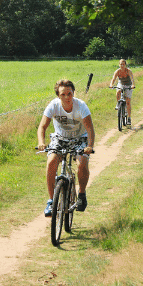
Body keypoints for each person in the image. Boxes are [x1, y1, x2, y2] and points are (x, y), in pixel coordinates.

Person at [36, 79, 95, 217]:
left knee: (82, 163)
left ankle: (81, 194)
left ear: (73, 93)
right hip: (60, 138)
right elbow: (42, 127)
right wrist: (41, 142)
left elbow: (90, 129)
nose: (67, 97)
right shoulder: (53, 105)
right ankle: (51, 201)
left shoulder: (81, 106)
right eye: (63, 94)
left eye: (70, 93)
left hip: (80, 138)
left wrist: (90, 146)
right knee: (51, 162)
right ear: (58, 95)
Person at [108, 59, 136, 126]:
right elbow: (113, 79)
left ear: (125, 65)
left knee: (128, 101)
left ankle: (129, 118)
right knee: (118, 91)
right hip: (121, 83)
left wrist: (133, 85)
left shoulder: (129, 71)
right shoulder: (117, 71)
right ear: (119, 65)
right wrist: (111, 85)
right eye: (121, 64)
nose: (122, 65)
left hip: (128, 85)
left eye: (123, 64)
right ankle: (118, 104)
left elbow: (132, 79)